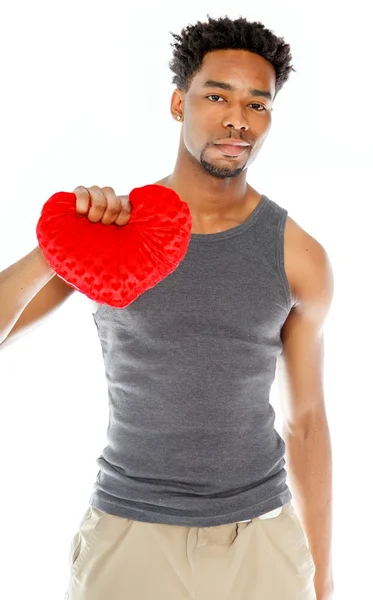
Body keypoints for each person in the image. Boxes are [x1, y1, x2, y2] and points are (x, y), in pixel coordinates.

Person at [0, 15, 334, 600]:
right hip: (129, 534)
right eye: (216, 95)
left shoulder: (297, 254)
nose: (237, 118)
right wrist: (56, 248)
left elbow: (306, 422)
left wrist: (324, 577)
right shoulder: (112, 230)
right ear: (179, 104)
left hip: (259, 540)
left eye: (258, 104)